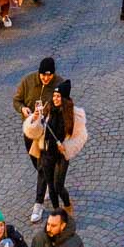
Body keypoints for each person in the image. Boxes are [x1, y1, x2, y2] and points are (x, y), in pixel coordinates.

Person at [23, 79, 87, 222]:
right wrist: (34, 120)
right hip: (46, 153)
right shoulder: (47, 109)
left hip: (61, 155)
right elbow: (35, 131)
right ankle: (58, 213)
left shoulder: (73, 115)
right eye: (54, 96)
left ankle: (68, 205)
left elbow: (81, 136)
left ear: (64, 98)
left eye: (58, 97)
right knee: (51, 187)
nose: (55, 99)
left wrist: (67, 146)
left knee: (59, 186)